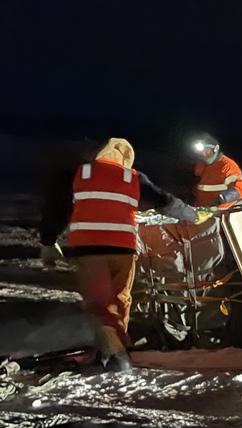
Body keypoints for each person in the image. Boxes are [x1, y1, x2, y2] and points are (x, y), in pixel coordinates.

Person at [39, 138, 198, 371]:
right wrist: (192, 214)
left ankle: (116, 354)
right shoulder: (133, 177)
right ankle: (114, 349)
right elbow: (165, 200)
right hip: (124, 250)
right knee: (120, 301)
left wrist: (48, 242)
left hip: (90, 250)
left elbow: (57, 209)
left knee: (99, 306)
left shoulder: (79, 174)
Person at [192, 135, 242, 209]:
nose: (204, 154)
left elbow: (240, 189)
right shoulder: (201, 164)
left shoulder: (227, 166)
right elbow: (197, 181)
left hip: (219, 209)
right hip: (200, 206)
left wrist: (220, 200)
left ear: (215, 150)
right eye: (201, 152)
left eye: (207, 151)